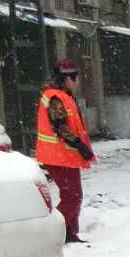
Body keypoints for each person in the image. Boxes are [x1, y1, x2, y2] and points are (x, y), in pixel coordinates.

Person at [35, 58, 95, 243]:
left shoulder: (64, 95)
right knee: (72, 196)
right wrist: (79, 145)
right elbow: (60, 125)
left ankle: (69, 232)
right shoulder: (55, 97)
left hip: (65, 156)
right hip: (57, 157)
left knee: (74, 195)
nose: (77, 81)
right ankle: (53, 233)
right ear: (66, 78)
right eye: (74, 77)